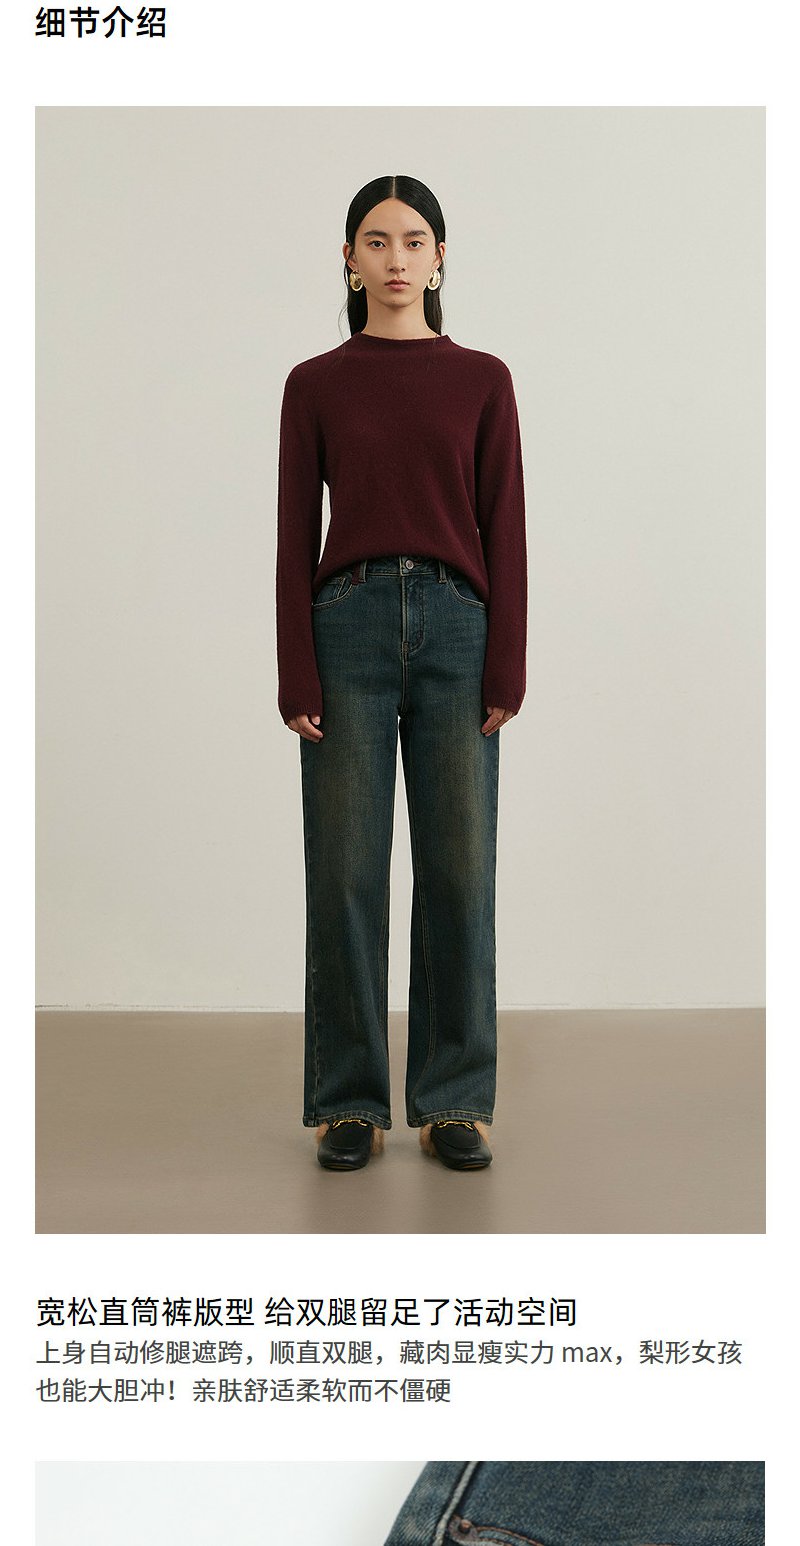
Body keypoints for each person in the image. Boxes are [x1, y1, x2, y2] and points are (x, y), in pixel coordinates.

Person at [276, 174, 527, 1171]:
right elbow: (294, 534)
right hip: (346, 625)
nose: (394, 258)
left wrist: (506, 660)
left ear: (439, 258)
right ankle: (348, 1102)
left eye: (413, 240)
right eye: (375, 241)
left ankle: (452, 1100)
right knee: (345, 872)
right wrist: (295, 668)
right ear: (348, 259)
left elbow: (504, 525)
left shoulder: (483, 379)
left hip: (459, 629)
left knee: (459, 873)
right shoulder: (314, 384)